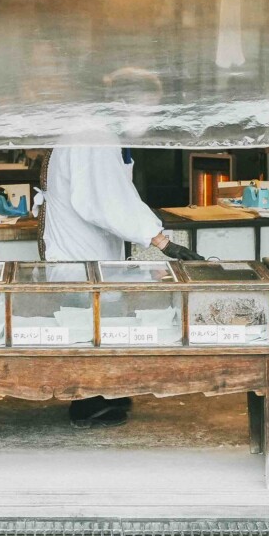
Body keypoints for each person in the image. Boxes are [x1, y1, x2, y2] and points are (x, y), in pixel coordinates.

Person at [37, 142, 170, 426]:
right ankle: (87, 400)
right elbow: (106, 200)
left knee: (99, 317)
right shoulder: (91, 137)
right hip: (80, 251)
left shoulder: (99, 135)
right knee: (85, 318)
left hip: (88, 248)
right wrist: (159, 239)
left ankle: (106, 390)